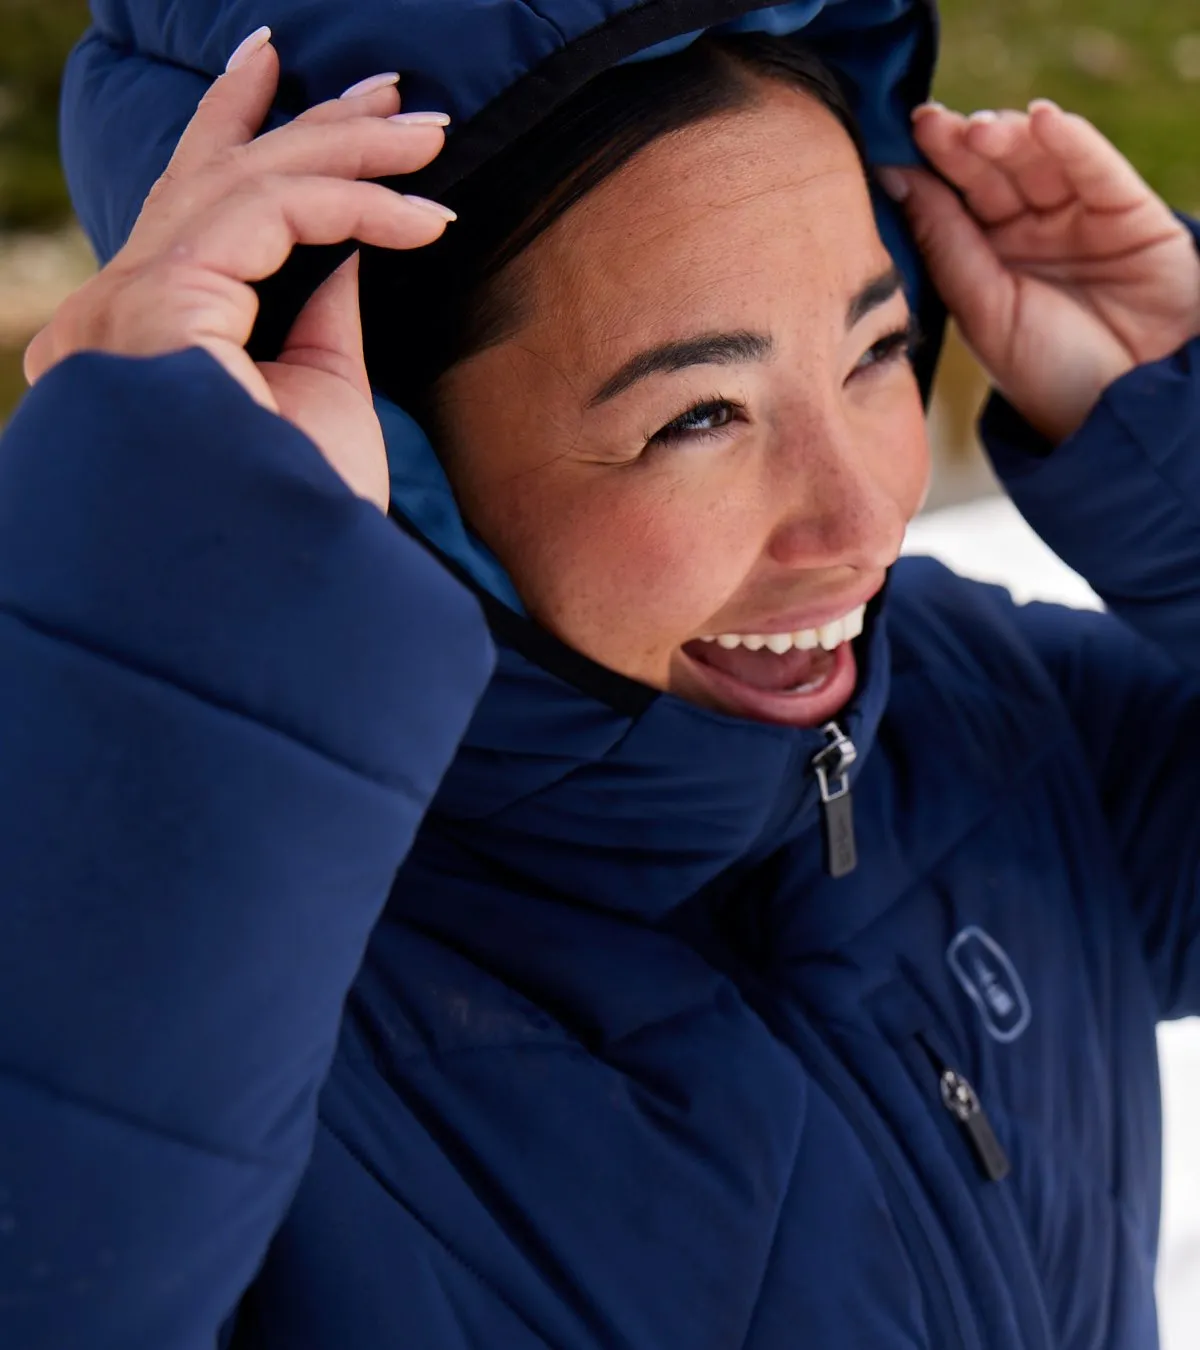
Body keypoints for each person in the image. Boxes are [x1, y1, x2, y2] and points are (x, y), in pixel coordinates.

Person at [2, 1, 1198, 1347]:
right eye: (697, 416)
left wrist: (1181, 435)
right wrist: (179, 609)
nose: (865, 523)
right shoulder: (204, 989)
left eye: (874, 350)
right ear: (409, 466)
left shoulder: (981, 713)